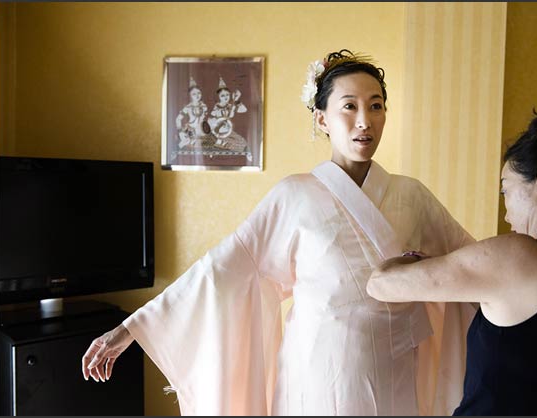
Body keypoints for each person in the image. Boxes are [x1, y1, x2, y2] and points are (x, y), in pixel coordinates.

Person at [82, 49, 476, 416]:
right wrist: (132, 327)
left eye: (376, 106)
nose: (364, 121)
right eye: (349, 106)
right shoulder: (294, 195)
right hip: (318, 375)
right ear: (322, 119)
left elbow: (470, 264)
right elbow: (220, 270)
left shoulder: (412, 196)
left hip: (396, 372)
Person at [367, 102, 537, 415]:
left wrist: (412, 259)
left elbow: (380, 283)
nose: (507, 214)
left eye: (506, 191)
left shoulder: (523, 257)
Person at [207, 76, 249, 152]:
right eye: (222, 96)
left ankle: (221, 144)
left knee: (243, 143)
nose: (225, 97)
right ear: (218, 97)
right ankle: (219, 143)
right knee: (236, 144)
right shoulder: (216, 107)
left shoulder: (230, 105)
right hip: (218, 132)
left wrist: (236, 100)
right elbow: (210, 120)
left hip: (228, 131)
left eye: (227, 95)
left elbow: (244, 110)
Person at [175, 77, 214, 149]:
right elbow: (178, 119)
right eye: (194, 94)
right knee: (185, 142)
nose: (197, 95)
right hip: (191, 129)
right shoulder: (188, 107)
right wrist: (180, 131)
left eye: (199, 93)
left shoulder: (204, 106)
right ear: (190, 95)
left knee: (212, 142)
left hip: (202, 130)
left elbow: (205, 118)